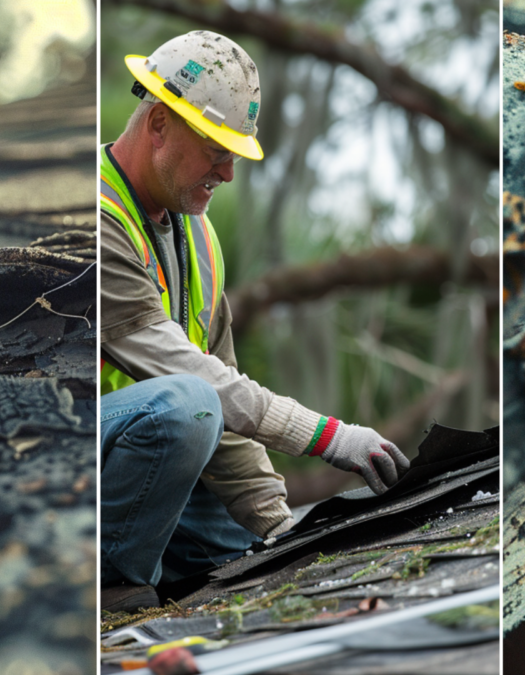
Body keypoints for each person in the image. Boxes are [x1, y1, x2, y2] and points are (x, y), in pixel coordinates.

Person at [99, 31, 410, 612]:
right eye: (216, 149)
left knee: (253, 547)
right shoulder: (96, 221)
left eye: (233, 154)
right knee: (185, 407)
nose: (228, 173)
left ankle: (165, 559)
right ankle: (109, 583)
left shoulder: (201, 239)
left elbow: (228, 410)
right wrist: (330, 437)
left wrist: (275, 525)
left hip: (143, 467)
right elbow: (201, 391)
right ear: (159, 123)